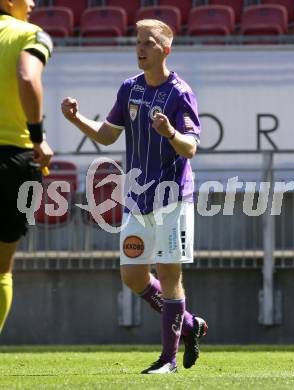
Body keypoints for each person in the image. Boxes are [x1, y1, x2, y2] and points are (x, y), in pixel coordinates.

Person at [61, 19, 207, 374]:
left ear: (165, 50)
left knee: (169, 274)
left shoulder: (180, 92)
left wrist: (170, 131)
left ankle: (168, 360)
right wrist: (77, 118)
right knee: (132, 276)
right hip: (139, 200)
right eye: (138, 42)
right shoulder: (130, 89)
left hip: (172, 198)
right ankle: (188, 326)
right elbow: (108, 135)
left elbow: (190, 148)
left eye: (149, 42)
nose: (140, 48)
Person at [0, 0, 54, 334]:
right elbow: (25, 75)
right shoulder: (31, 34)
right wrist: (38, 137)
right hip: (15, 159)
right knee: (2, 268)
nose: (33, 2)